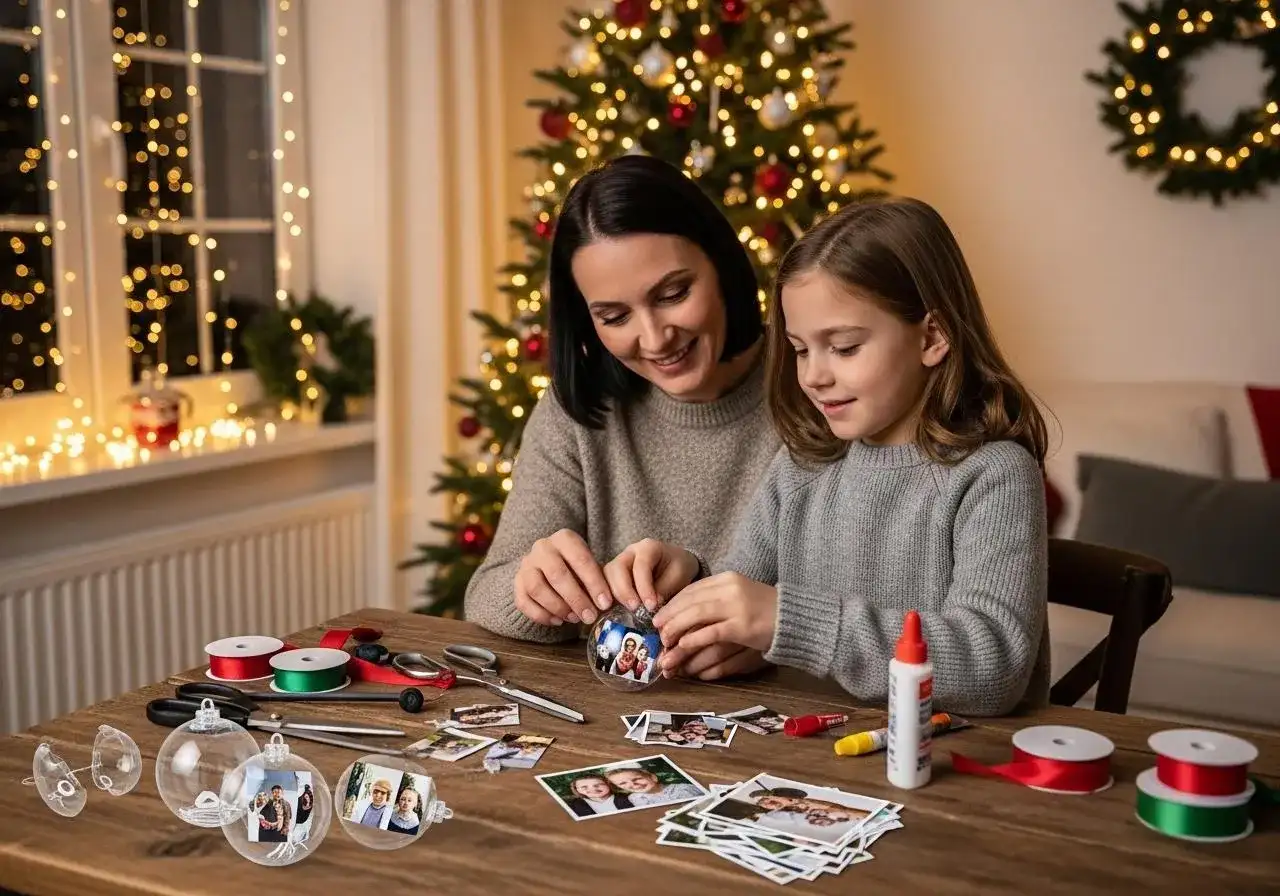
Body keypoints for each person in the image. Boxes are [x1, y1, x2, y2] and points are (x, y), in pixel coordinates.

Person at [653, 196, 1051, 718]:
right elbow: (744, 602)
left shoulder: (993, 476)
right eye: (800, 349)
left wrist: (788, 624)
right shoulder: (802, 466)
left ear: (933, 336)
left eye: (842, 347)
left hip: (943, 771)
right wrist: (701, 618)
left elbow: (991, 666)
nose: (815, 375)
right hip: (803, 761)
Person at [462, 155, 781, 681]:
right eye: (614, 317)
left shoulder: (817, 385)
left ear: (722, 265)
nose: (655, 339)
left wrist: (775, 632)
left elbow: (873, 602)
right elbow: (487, 595)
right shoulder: (578, 406)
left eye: (675, 294)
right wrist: (536, 587)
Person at [605, 767, 704, 807]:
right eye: (623, 783)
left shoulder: (685, 789)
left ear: (653, 777)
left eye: (637, 779)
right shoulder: (633, 799)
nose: (632, 784)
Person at [563, 775, 632, 818]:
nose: (593, 789)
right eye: (584, 787)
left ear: (608, 785)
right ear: (577, 790)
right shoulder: (570, 807)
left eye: (598, 784)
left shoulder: (631, 798)